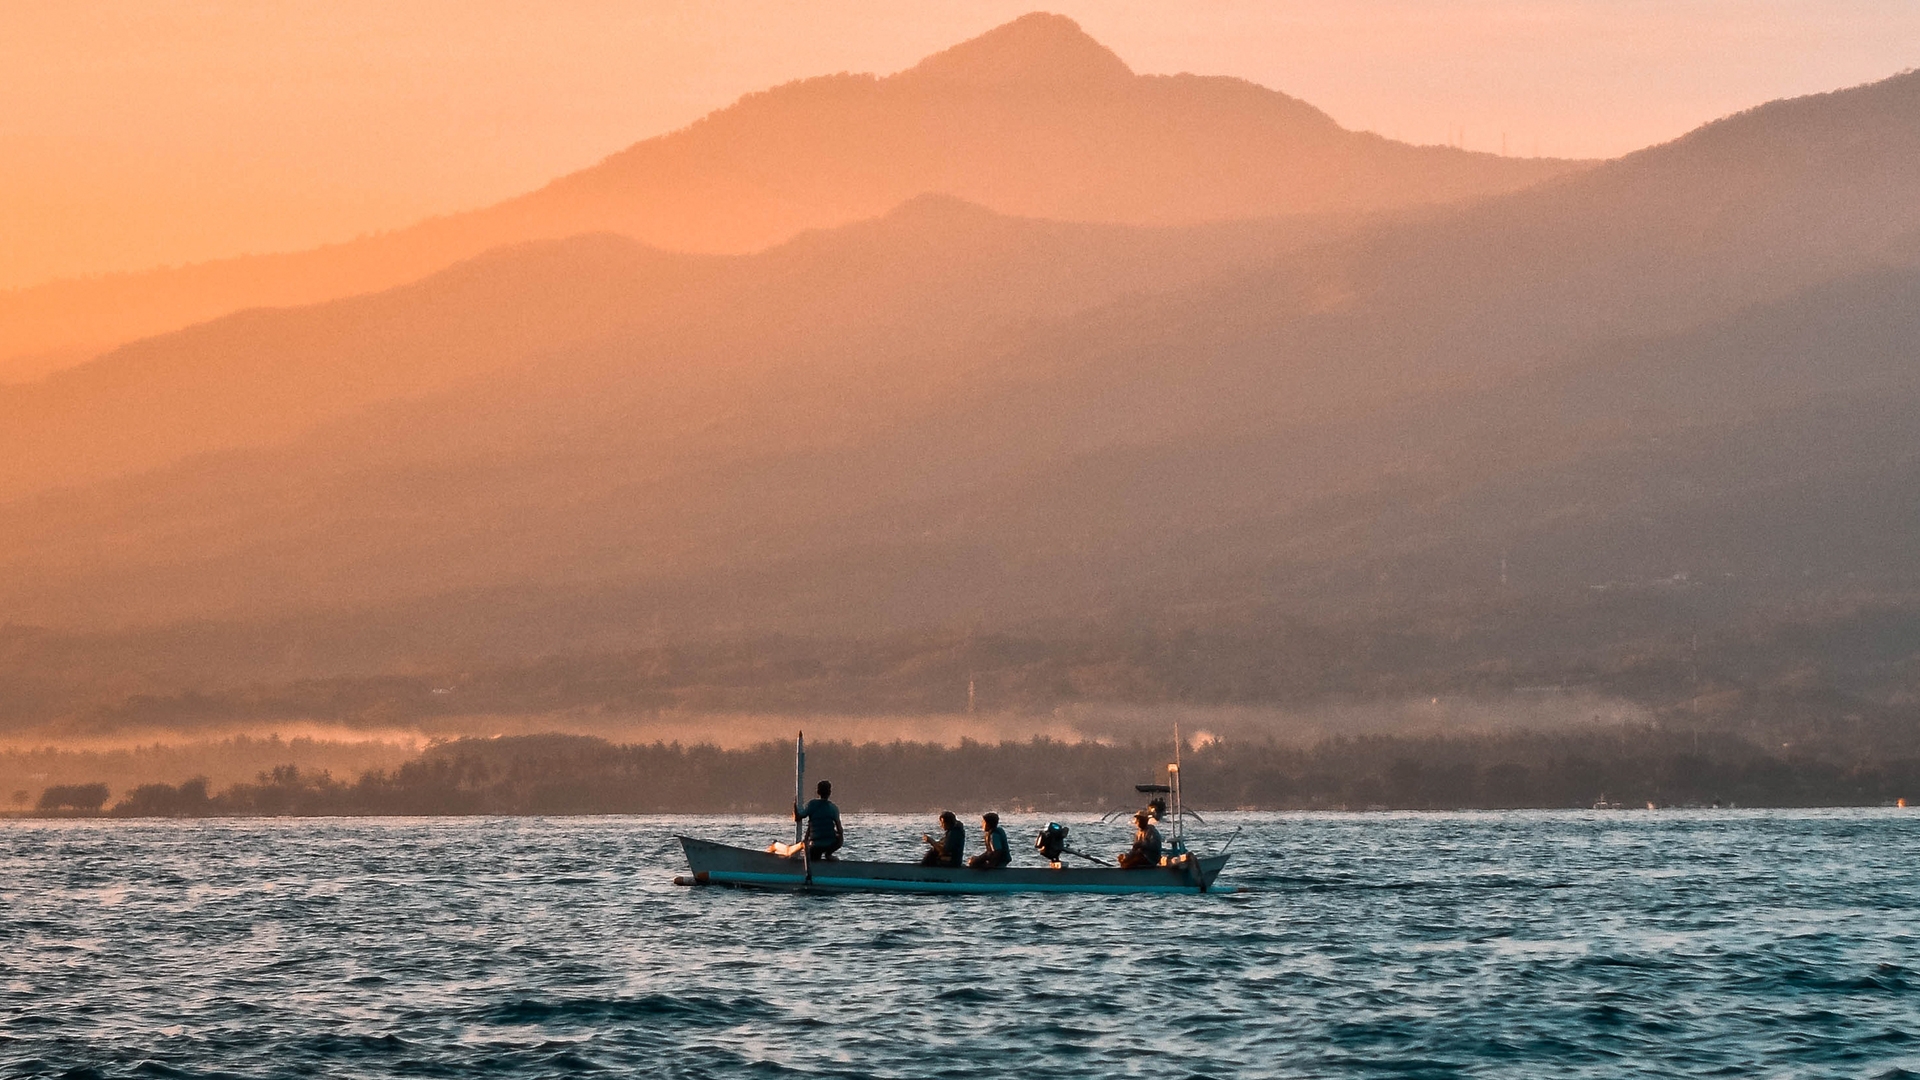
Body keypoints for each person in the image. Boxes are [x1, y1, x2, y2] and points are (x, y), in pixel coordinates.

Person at [793, 779, 843, 861]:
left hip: (815, 844)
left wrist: (795, 805)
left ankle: (820, 857)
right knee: (840, 837)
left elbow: (798, 817)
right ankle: (828, 854)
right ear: (829, 793)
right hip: (830, 843)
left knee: (814, 855)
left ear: (818, 792)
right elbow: (840, 829)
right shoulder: (833, 808)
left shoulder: (812, 804)